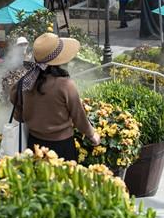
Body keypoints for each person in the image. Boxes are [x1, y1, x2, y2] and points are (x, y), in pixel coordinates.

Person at [8, 32, 100, 161]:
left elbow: (18, 113)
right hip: (62, 146)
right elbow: (78, 116)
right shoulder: (65, 85)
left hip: (34, 145)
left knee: (37, 179)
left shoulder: (26, 82)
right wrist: (92, 135)